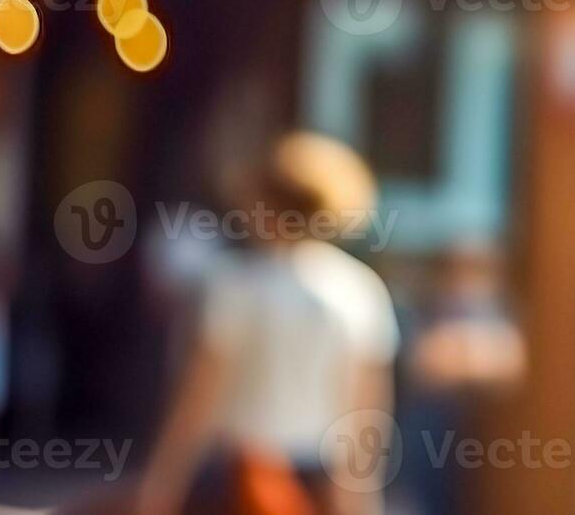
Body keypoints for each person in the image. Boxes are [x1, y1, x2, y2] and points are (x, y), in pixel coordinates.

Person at [137, 132, 398, 515]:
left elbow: (199, 394)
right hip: (316, 481)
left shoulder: (236, 286)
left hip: (243, 475)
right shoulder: (359, 291)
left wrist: (162, 483)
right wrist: (359, 498)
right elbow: (366, 414)